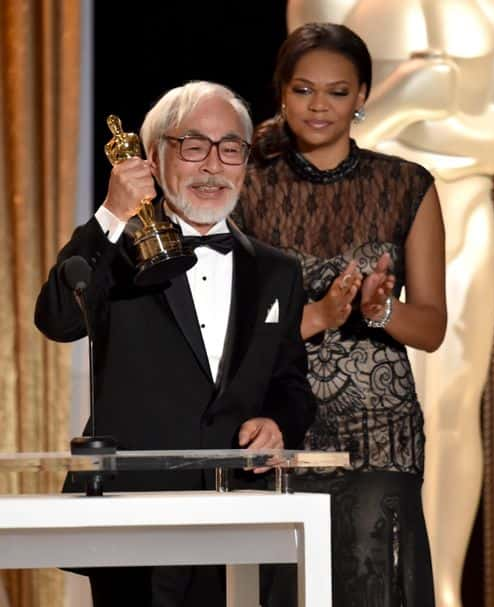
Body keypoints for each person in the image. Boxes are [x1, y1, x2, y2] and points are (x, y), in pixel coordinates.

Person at [34, 81, 316, 607]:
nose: (213, 164)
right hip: (131, 516)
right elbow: (55, 320)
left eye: (230, 147)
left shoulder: (278, 270)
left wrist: (279, 422)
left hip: (242, 516)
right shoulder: (112, 255)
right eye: (193, 145)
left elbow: (291, 384)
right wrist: (111, 216)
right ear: (154, 161)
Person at [288, 4, 494, 607]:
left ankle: (447, 582)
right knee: (331, 408)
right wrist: (409, 99)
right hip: (347, 213)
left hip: (460, 200)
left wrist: (424, 112)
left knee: (455, 407)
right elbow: (316, 114)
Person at [234, 22, 447, 607]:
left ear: (362, 97)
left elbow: (430, 328)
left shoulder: (406, 185)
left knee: (376, 585)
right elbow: (228, 334)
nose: (319, 105)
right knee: (290, 591)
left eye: (336, 91)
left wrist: (380, 311)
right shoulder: (247, 188)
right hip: (280, 425)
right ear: (282, 92)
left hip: (380, 429)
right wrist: (320, 316)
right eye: (304, 90)